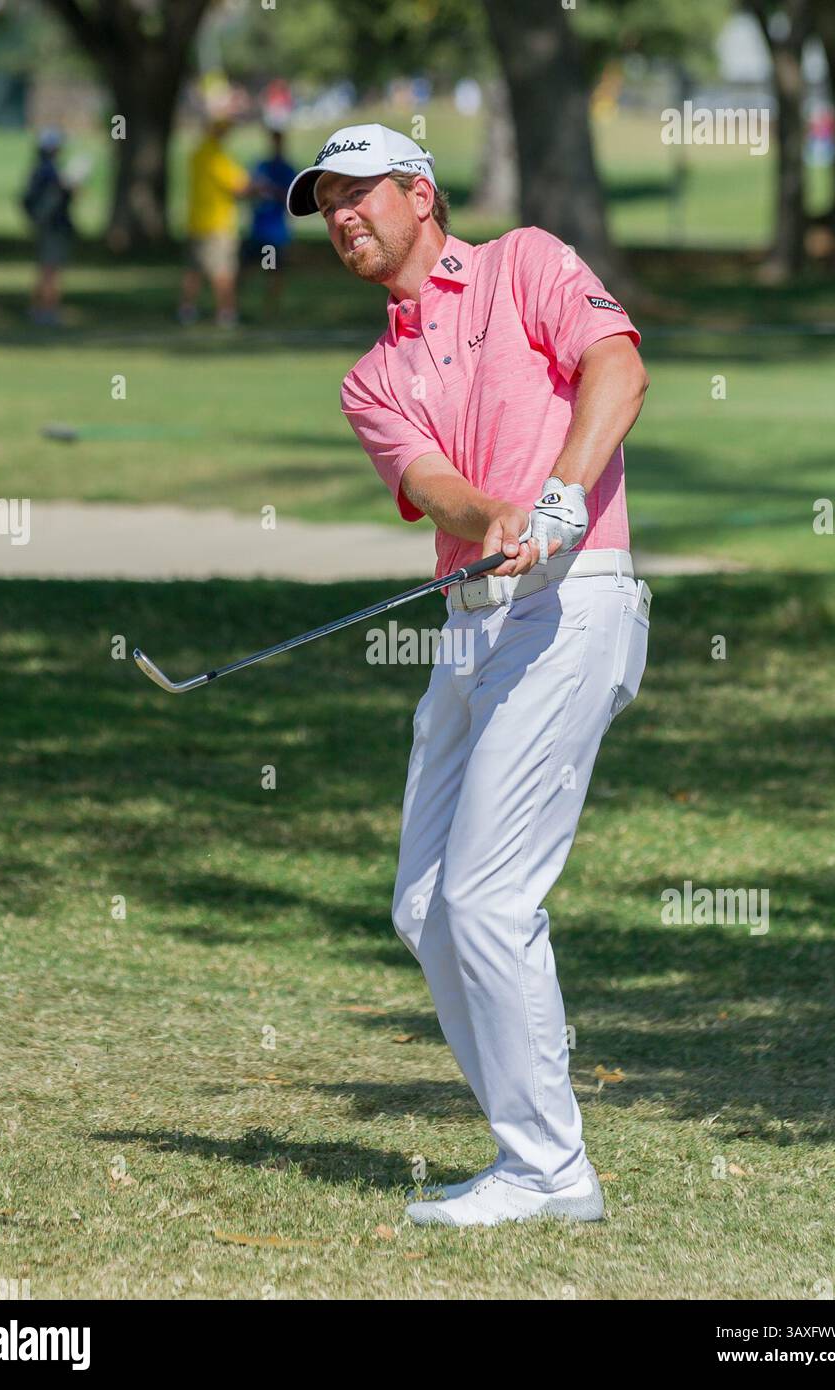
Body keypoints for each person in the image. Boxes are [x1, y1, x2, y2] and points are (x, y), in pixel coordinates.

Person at [286, 124, 651, 1228]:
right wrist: (493, 515)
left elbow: (618, 366)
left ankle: (548, 1170)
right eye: (327, 203)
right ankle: (532, 1152)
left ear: (422, 192)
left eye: (359, 193)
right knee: (426, 908)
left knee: (488, 897)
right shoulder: (370, 377)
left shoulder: (525, 262)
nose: (342, 216)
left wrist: (559, 495)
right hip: (472, 623)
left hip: (575, 597)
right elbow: (435, 483)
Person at [179, 115, 253, 328]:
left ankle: (186, 311)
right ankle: (226, 313)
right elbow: (240, 186)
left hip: (195, 222)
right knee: (223, 272)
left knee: (193, 270)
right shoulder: (217, 157)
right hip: (218, 224)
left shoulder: (197, 154)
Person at [21, 128, 75, 326]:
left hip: (44, 227)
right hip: (54, 227)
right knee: (51, 272)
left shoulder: (38, 169)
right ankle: (47, 312)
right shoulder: (49, 171)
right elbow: (61, 197)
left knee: (44, 269)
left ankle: (37, 309)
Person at [240, 128, 297, 313]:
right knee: (245, 269)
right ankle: (238, 304)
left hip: (274, 232)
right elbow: (247, 190)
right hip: (258, 229)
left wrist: (272, 190)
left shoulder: (286, 169)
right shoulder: (261, 166)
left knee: (272, 270)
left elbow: (291, 198)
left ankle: (270, 308)